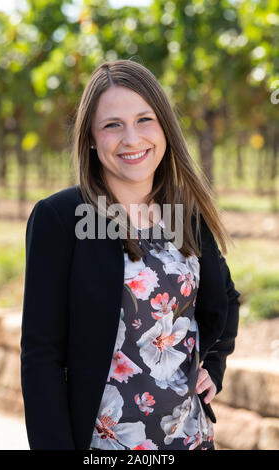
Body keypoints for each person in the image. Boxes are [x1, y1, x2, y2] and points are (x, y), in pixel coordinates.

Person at [21, 59, 240, 450]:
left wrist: (215, 367)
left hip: (189, 439)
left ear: (165, 128)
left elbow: (224, 300)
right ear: (90, 137)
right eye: (112, 125)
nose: (131, 138)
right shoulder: (61, 218)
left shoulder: (185, 213)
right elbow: (41, 355)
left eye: (144, 119)